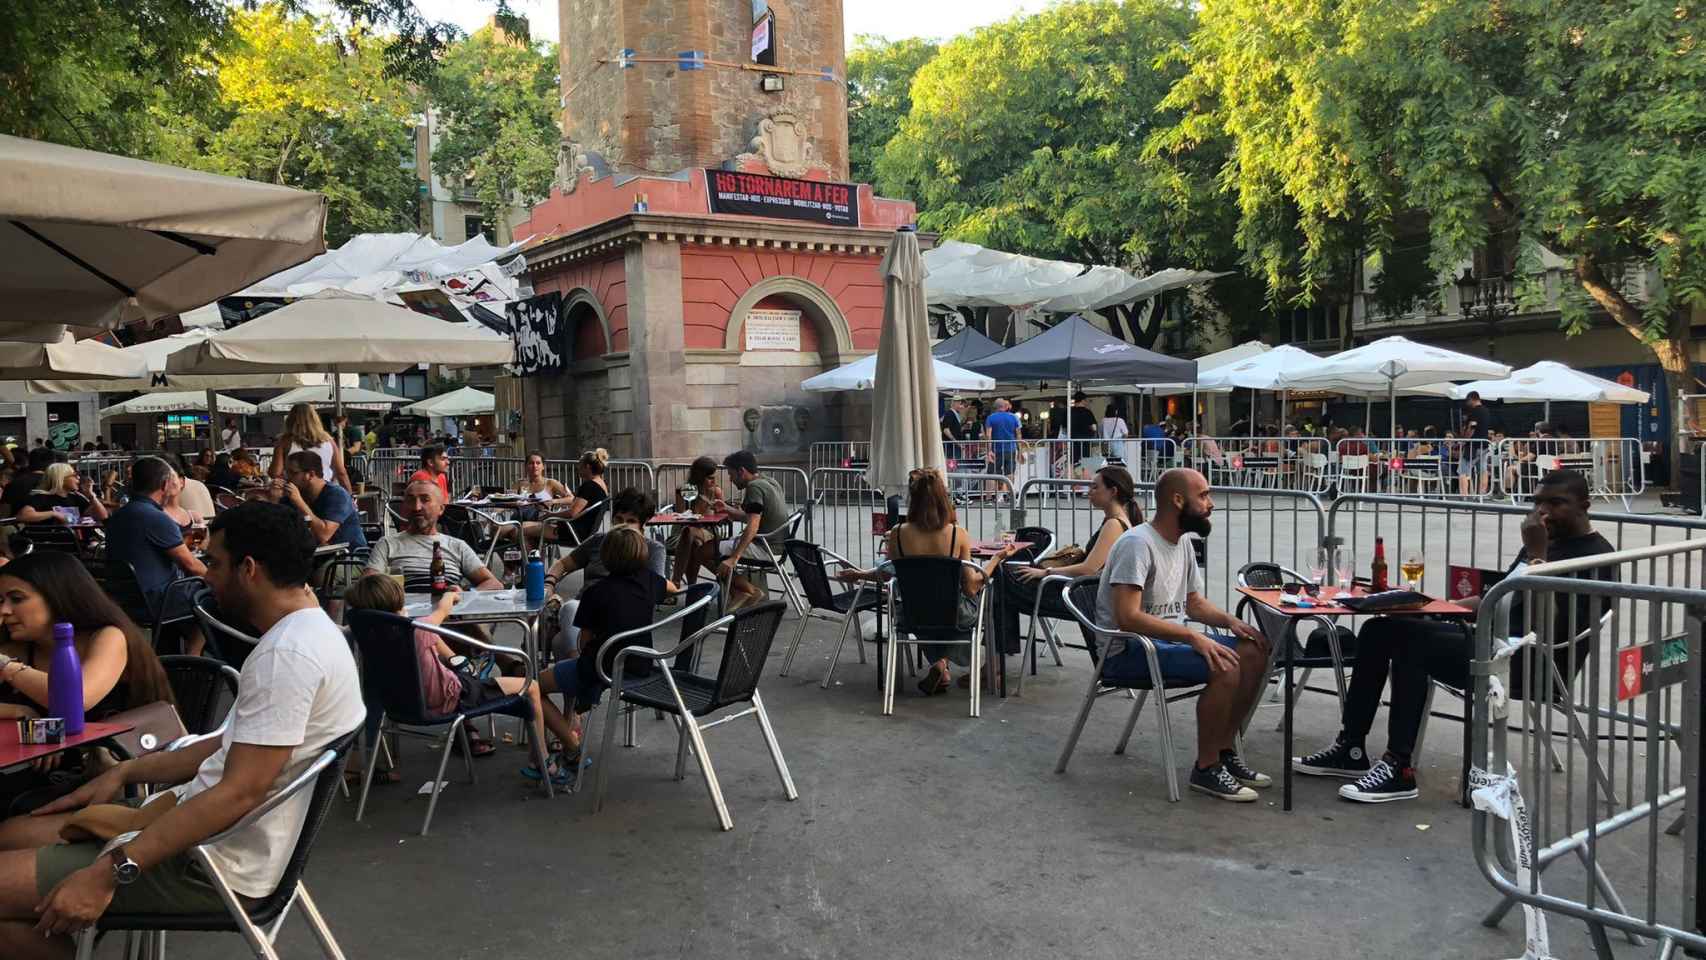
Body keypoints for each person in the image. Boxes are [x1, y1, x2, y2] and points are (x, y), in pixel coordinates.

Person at [0, 502, 364, 952]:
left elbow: (239, 791)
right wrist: (128, 772)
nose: (205, 575)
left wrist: (108, 871)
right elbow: (229, 745)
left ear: (248, 569)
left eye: (213, 562)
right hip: (213, 849)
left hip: (207, 867)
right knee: (11, 838)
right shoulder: (314, 634)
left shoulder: (286, 656)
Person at [1295, 470, 1614, 802]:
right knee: (1380, 628)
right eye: (1537, 503)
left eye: (1556, 503)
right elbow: (1500, 597)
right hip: (1491, 642)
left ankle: (1399, 768)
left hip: (1531, 662)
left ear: (1584, 506)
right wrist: (1430, 607)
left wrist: (1537, 557)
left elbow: (1546, 628)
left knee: (1413, 645)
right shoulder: (1547, 541)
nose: (1543, 512)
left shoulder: (1596, 556)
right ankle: (1351, 748)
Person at [1095, 467, 1273, 802]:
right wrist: (1193, 637)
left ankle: (1223, 752)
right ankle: (1206, 769)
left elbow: (1193, 603)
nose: (1211, 503)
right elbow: (1127, 618)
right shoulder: (1136, 544)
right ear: (1178, 500)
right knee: (1226, 665)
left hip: (1165, 643)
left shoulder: (1182, 543)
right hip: (1128, 652)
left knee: (1254, 651)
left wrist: (1230, 622)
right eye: (1203, 495)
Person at [0, 553, 174, 815]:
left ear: (57, 595)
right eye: (0, 601)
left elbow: (76, 699)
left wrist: (7, 667)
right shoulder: (21, 648)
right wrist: (19, 713)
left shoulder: (107, 637)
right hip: (47, 773)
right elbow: (56, 731)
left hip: (119, 780)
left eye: (17, 599)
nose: (4, 610)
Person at [342, 575, 547, 784]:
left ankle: (464, 667)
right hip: (449, 697)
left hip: (398, 703)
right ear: (397, 602)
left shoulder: (363, 632)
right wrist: (451, 594)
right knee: (532, 687)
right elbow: (443, 608)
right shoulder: (419, 628)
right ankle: (541, 761)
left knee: (445, 652)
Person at [836, 469, 1023, 692]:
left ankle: (940, 666)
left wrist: (858, 574)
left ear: (912, 500)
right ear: (944, 498)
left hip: (913, 612)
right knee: (991, 601)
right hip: (954, 613)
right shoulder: (957, 534)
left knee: (927, 605)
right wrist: (995, 559)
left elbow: (886, 574)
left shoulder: (897, 533)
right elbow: (971, 587)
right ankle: (987, 670)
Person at [525, 527, 668, 785]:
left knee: (530, 687)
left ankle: (568, 745)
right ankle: (566, 740)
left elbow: (584, 640)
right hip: (639, 665)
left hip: (600, 670)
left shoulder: (595, 593)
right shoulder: (650, 581)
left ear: (605, 558)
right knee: (565, 668)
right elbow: (673, 588)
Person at [992, 465, 1141, 659]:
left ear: (1113, 492)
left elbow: (1089, 568)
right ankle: (998, 659)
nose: (1089, 492)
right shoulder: (1117, 521)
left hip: (1080, 598)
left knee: (1001, 581)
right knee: (1002, 584)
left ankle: (995, 662)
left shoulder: (1114, 524)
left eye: (1095, 487)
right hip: (1082, 593)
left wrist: (1046, 572)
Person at [540, 487, 674, 659]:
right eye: (618, 519)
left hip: (620, 615)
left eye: (630, 521)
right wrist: (549, 582)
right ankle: (576, 669)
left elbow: (662, 586)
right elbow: (562, 563)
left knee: (568, 614)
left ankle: (579, 667)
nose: (622, 525)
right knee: (558, 640)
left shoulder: (652, 549)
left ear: (643, 524)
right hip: (587, 607)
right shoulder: (599, 540)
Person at [104, 457, 207, 628]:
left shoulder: (119, 515)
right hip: (157, 601)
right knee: (211, 598)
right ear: (165, 485)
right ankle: (193, 653)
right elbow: (191, 565)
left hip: (123, 599)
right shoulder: (156, 518)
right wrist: (221, 582)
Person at [681, 451, 789, 609]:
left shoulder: (754, 487)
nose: (730, 480)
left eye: (731, 475)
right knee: (709, 549)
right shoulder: (769, 481)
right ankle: (739, 591)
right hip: (777, 546)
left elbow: (753, 525)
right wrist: (727, 509)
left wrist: (734, 558)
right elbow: (752, 516)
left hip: (765, 548)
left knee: (701, 552)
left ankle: (747, 590)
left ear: (741, 471)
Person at [365, 480, 501, 591]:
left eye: (425, 500)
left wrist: (466, 596)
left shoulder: (457, 546)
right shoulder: (388, 544)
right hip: (403, 617)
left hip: (448, 615)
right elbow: (367, 585)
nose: (417, 507)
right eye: (411, 500)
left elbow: (494, 584)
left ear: (441, 509)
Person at [272, 450, 367, 554]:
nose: (286, 477)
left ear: (310, 475)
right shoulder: (293, 495)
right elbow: (277, 529)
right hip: (313, 556)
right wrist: (273, 498)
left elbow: (324, 535)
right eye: (286, 472)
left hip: (346, 559)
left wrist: (299, 502)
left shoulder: (337, 495)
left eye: (293, 473)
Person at [669, 456, 725, 582]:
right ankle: (692, 589)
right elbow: (680, 516)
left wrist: (710, 504)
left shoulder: (715, 492)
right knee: (693, 540)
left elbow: (721, 516)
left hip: (709, 532)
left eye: (714, 477)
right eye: (710, 478)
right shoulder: (685, 490)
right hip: (681, 534)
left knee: (691, 534)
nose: (714, 481)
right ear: (699, 477)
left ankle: (676, 582)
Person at [270, 402, 351, 490]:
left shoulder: (284, 442)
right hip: (323, 489)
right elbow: (341, 473)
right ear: (315, 419)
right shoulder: (329, 441)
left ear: (290, 420)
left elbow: (275, 473)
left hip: (296, 491)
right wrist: (350, 496)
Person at [547, 448, 610, 544]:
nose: (577, 468)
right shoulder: (602, 484)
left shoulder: (589, 486)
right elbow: (580, 506)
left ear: (587, 467)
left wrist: (550, 515)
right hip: (585, 532)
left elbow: (572, 513)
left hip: (573, 532)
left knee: (525, 528)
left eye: (580, 465)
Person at [507, 451, 572, 545]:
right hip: (517, 519)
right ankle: (513, 558)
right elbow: (507, 499)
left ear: (543, 466)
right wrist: (495, 511)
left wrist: (554, 501)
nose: (534, 466)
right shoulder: (519, 483)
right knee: (495, 530)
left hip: (540, 521)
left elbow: (571, 499)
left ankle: (528, 558)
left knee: (515, 533)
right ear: (526, 466)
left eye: (538, 463)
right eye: (531, 463)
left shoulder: (550, 483)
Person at [15, 463, 108, 527]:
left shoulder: (76, 497)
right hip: (52, 545)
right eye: (74, 475)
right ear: (61, 478)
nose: (78, 478)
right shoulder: (42, 497)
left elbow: (103, 516)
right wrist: (54, 514)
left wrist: (91, 496)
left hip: (77, 544)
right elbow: (23, 516)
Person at [1458, 390, 1499, 496]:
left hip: (1473, 445)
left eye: (1468, 401)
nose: (1467, 404)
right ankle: (1482, 495)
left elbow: (1472, 427)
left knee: (1463, 470)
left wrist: (1465, 439)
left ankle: (1464, 496)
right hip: (1484, 444)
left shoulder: (1475, 411)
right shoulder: (1486, 411)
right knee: (1483, 470)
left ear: (1472, 399)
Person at [0, 448, 54, 519]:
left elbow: (4, 515)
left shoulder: (14, 483)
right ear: (52, 463)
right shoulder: (57, 483)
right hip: (56, 528)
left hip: (20, 528)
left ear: (29, 462)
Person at [983, 398, 1021, 482]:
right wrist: (1020, 450)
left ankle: (990, 495)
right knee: (1010, 472)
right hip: (1011, 449)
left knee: (991, 474)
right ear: (1004, 406)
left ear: (995, 407)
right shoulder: (1013, 417)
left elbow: (988, 435)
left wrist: (989, 451)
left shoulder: (990, 418)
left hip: (996, 450)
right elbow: (1018, 435)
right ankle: (1010, 494)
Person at [1100, 397, 1132, 465]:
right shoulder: (1120, 420)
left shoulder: (1103, 421)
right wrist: (1123, 440)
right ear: (1116, 411)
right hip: (1118, 444)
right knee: (1119, 464)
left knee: (1107, 464)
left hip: (1106, 445)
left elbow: (1100, 432)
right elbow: (1126, 434)